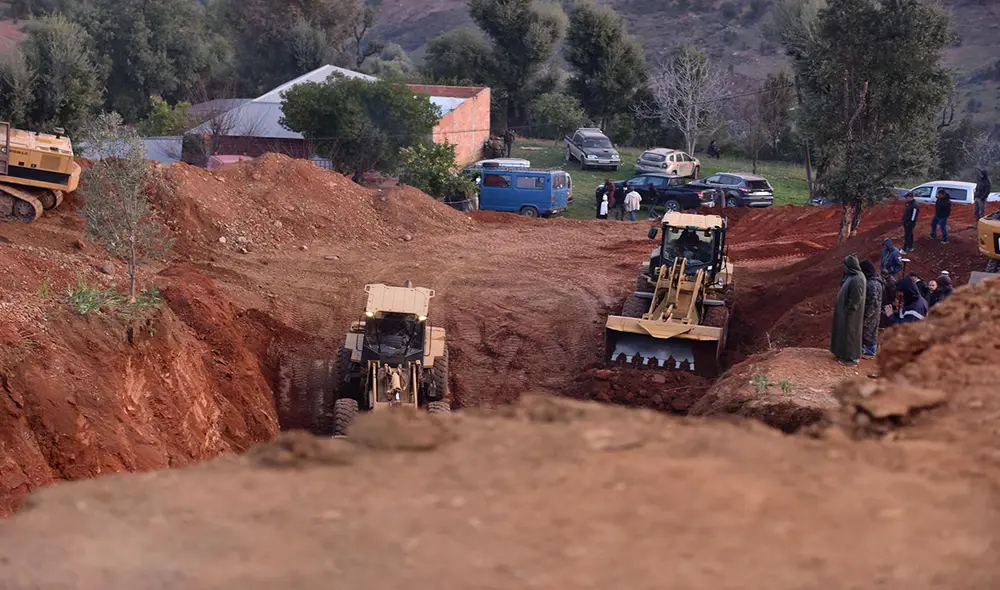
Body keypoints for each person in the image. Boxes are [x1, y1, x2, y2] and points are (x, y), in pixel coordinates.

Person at [831, 255, 866, 366]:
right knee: (844, 334)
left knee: (851, 335)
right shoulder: (852, 276)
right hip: (845, 313)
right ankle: (843, 353)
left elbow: (856, 300)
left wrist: (848, 311)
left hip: (851, 315)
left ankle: (851, 358)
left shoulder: (858, 279)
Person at [859, 259, 885, 358]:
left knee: (868, 332)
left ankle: (870, 351)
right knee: (871, 331)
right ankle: (869, 350)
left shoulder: (872, 284)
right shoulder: (875, 281)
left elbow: (873, 302)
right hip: (874, 312)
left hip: (871, 313)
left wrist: (866, 315)